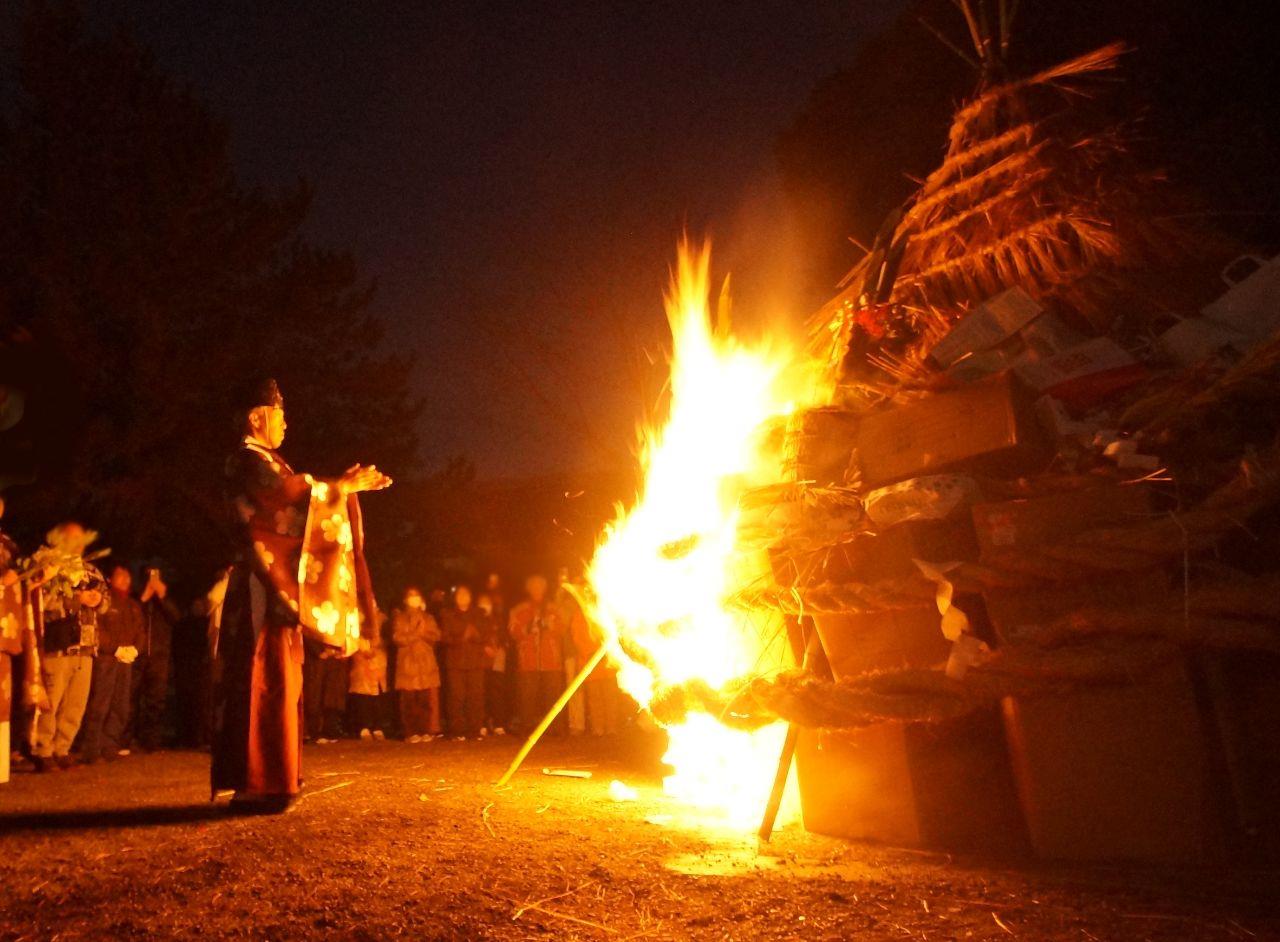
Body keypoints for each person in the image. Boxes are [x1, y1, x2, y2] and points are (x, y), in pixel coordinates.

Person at [211, 378, 388, 813]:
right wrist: (338, 490)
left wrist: (337, 490)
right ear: (257, 417)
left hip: (276, 590)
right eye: (280, 415)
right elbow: (282, 506)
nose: (287, 424)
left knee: (280, 681)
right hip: (262, 584)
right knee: (261, 680)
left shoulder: (270, 462)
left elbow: (298, 505)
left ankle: (275, 778)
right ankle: (259, 783)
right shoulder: (247, 462)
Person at [31, 523, 109, 773]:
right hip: (59, 644)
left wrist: (97, 600)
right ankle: (43, 750)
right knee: (51, 702)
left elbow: (105, 602)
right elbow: (42, 601)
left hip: (85, 647)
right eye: (73, 538)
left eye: (81, 538)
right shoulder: (50, 567)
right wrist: (77, 600)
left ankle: (62, 748)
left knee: (75, 704)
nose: (79, 543)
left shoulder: (91, 571)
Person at [80, 562, 144, 763]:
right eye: (120, 575)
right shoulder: (106, 602)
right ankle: (91, 748)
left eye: (128, 575)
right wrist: (114, 649)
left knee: (121, 706)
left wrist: (135, 649)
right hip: (107, 659)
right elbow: (99, 630)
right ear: (110, 579)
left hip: (126, 659)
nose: (125, 579)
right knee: (100, 704)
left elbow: (140, 631)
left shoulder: (132, 605)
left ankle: (109, 745)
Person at [1, 496, 45, 783]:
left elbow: (16, 581)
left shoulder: (6, 543)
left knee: (3, 699)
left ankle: (1, 768)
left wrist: (33, 579)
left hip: (4, 633)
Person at [129, 565, 180, 751]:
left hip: (159, 655)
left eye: (156, 575)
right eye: (150, 574)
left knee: (156, 699)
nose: (153, 578)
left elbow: (176, 618)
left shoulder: (166, 599)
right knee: (132, 697)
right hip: (138, 654)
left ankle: (151, 740)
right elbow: (131, 616)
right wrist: (145, 596)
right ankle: (127, 738)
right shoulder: (137, 598)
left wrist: (162, 597)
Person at [509, 574, 565, 735]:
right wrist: (527, 629)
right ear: (528, 589)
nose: (537, 590)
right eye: (534, 586)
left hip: (551, 660)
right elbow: (513, 631)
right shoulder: (519, 609)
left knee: (553, 696)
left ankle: (555, 728)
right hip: (528, 660)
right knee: (527, 697)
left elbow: (562, 629)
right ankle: (527, 728)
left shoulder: (553, 608)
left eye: (540, 586)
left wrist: (550, 625)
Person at [567, 579, 624, 736]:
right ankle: (599, 729)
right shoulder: (579, 616)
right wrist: (592, 651)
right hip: (590, 663)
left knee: (610, 697)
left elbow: (613, 634)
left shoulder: (605, 613)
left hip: (607, 663)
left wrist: (607, 651)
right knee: (595, 698)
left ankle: (611, 727)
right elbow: (577, 638)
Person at [440, 586, 492, 740]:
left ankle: (474, 729)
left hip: (475, 661)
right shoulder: (447, 614)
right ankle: (457, 730)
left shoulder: (479, 614)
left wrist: (474, 635)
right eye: (460, 594)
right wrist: (462, 635)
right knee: (456, 696)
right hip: (455, 662)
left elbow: (486, 634)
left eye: (466, 594)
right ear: (455, 597)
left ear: (471, 597)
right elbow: (444, 637)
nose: (463, 597)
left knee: (475, 696)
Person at [391, 587, 441, 742]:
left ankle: (426, 730)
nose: (414, 599)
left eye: (417, 596)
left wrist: (423, 633)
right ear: (406, 600)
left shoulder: (428, 618)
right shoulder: (400, 618)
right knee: (409, 701)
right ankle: (410, 732)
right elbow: (397, 638)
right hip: (408, 663)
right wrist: (415, 634)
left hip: (426, 663)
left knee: (425, 699)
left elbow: (437, 636)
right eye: (411, 596)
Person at [347, 610, 389, 740]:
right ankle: (363, 726)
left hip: (378, 662)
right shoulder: (353, 617)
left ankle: (378, 726)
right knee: (362, 696)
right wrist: (360, 645)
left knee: (377, 696)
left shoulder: (382, 618)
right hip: (361, 662)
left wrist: (374, 645)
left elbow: (387, 637)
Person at [555, 567, 587, 736]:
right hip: (572, 653)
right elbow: (560, 617)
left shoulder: (590, 605)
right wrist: (560, 590)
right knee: (574, 689)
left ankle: (592, 724)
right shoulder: (568, 605)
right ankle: (577, 724)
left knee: (595, 690)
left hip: (589, 653)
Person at [303, 640, 349, 744]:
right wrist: (319, 651)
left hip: (335, 659)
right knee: (316, 694)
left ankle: (329, 730)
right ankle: (314, 732)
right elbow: (309, 632)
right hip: (318, 660)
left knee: (332, 696)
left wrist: (343, 650)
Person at [478, 592, 508, 735]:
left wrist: (499, 648)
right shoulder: (475, 620)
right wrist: (484, 647)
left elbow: (504, 636)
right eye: (481, 602)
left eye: (487, 602)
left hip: (497, 661)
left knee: (497, 692)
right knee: (481, 692)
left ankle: (498, 723)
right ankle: (482, 722)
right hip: (481, 661)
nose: (485, 606)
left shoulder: (498, 620)